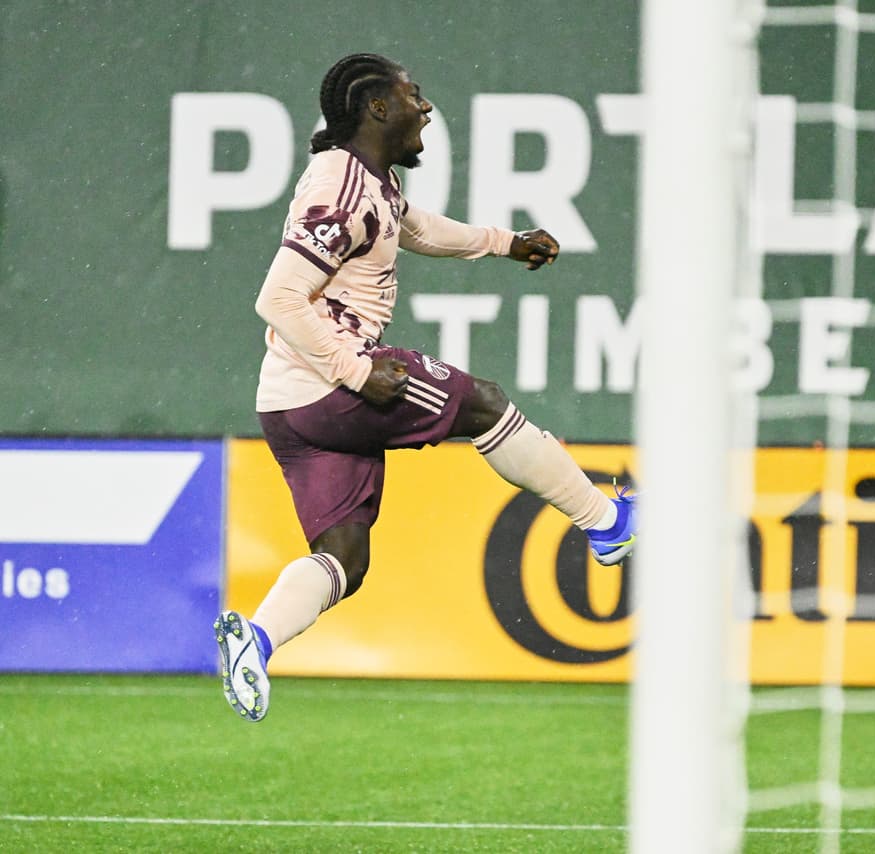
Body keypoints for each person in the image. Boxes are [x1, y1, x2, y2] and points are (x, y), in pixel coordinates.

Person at [214, 53, 636, 723]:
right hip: (334, 387)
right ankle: (607, 524)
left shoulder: (368, 182)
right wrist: (357, 371)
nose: (427, 108)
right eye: (414, 96)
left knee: (344, 559)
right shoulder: (341, 190)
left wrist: (505, 242)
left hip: (288, 407)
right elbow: (278, 298)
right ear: (378, 109)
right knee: (486, 404)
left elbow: (413, 228)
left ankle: (256, 643)